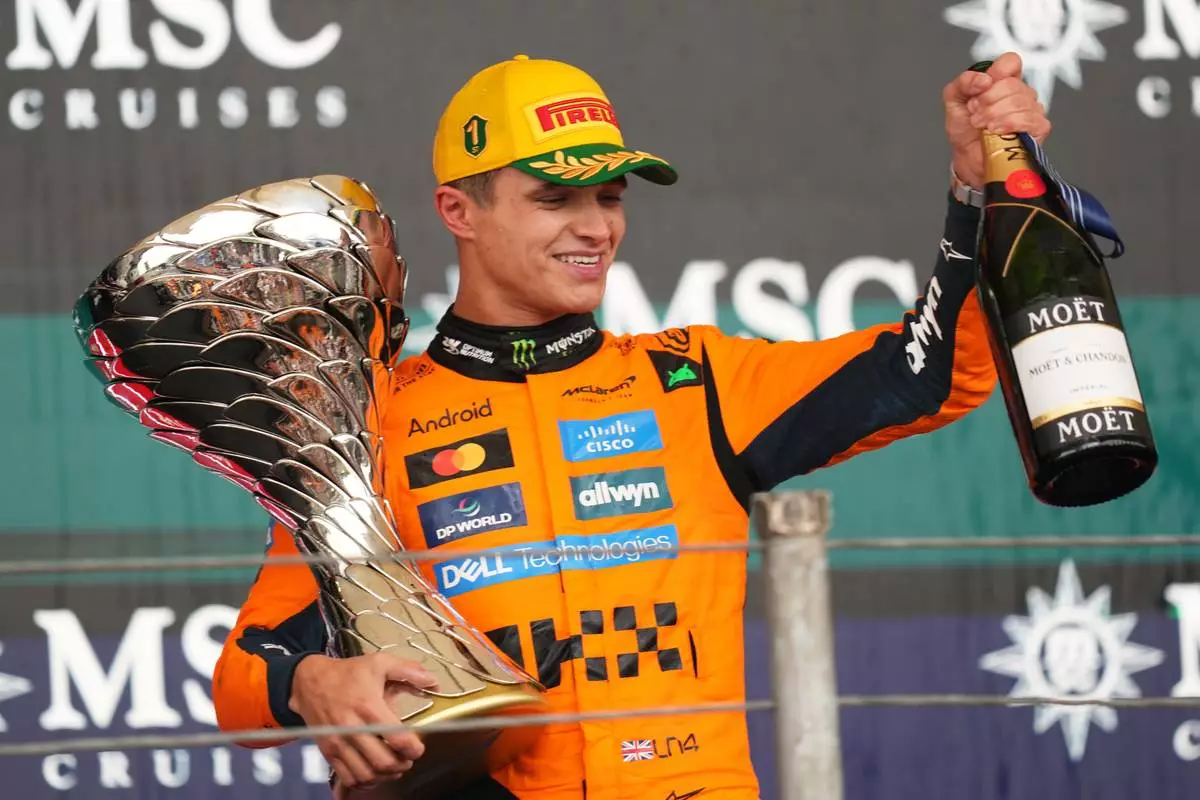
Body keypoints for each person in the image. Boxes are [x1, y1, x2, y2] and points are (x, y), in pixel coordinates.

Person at [212, 52, 1050, 799]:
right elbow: (245, 675)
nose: (596, 227)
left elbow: (934, 372)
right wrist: (311, 684)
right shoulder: (370, 424)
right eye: (555, 198)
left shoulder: (694, 382)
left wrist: (981, 191)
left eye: (610, 198)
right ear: (458, 211)